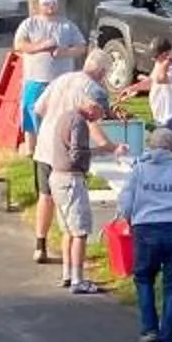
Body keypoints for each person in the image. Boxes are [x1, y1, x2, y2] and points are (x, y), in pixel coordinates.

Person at [118, 127, 172, 342]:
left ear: (150, 145)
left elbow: (125, 202)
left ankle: (148, 328)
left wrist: (129, 218)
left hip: (146, 228)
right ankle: (167, 341)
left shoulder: (139, 169)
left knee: (144, 278)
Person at [27, 49, 112, 265]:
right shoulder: (92, 89)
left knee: (45, 196)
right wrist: (107, 146)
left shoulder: (62, 79)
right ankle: (73, 252)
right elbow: (92, 122)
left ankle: (40, 244)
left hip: (46, 145)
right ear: (102, 72)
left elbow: (37, 108)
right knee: (71, 200)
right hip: (67, 151)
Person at [35, 84, 109, 295]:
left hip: (56, 177)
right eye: (101, 112)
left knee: (68, 229)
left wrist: (95, 151)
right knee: (80, 231)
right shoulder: (79, 122)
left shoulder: (65, 116)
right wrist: (91, 156)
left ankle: (68, 274)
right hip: (71, 180)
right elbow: (77, 153)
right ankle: (78, 280)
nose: (99, 117)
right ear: (92, 106)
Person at [12, 0, 87, 137]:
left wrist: (65, 52)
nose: (50, 7)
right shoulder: (29, 24)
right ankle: (31, 148)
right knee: (31, 111)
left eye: (53, 3)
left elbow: (81, 47)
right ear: (39, 6)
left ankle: (59, 140)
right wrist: (41, 46)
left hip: (61, 81)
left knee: (61, 111)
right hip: (35, 78)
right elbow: (19, 45)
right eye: (46, 4)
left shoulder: (67, 25)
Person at [131, 38, 172, 151]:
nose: (154, 59)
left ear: (166, 54)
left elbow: (160, 79)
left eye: (156, 56)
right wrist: (133, 88)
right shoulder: (159, 65)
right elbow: (153, 81)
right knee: (162, 152)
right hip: (161, 117)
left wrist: (166, 63)